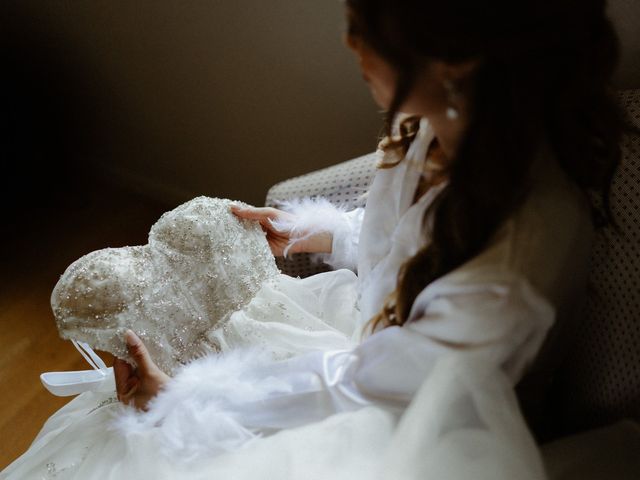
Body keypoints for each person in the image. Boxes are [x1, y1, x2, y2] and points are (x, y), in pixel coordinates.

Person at [1, 0, 623, 478]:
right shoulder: (439, 127)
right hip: (373, 357)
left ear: (453, 61)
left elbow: (364, 383)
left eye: (366, 31)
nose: (350, 45)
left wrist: (191, 399)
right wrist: (313, 233)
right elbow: (403, 247)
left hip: (408, 427)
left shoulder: (516, 263)